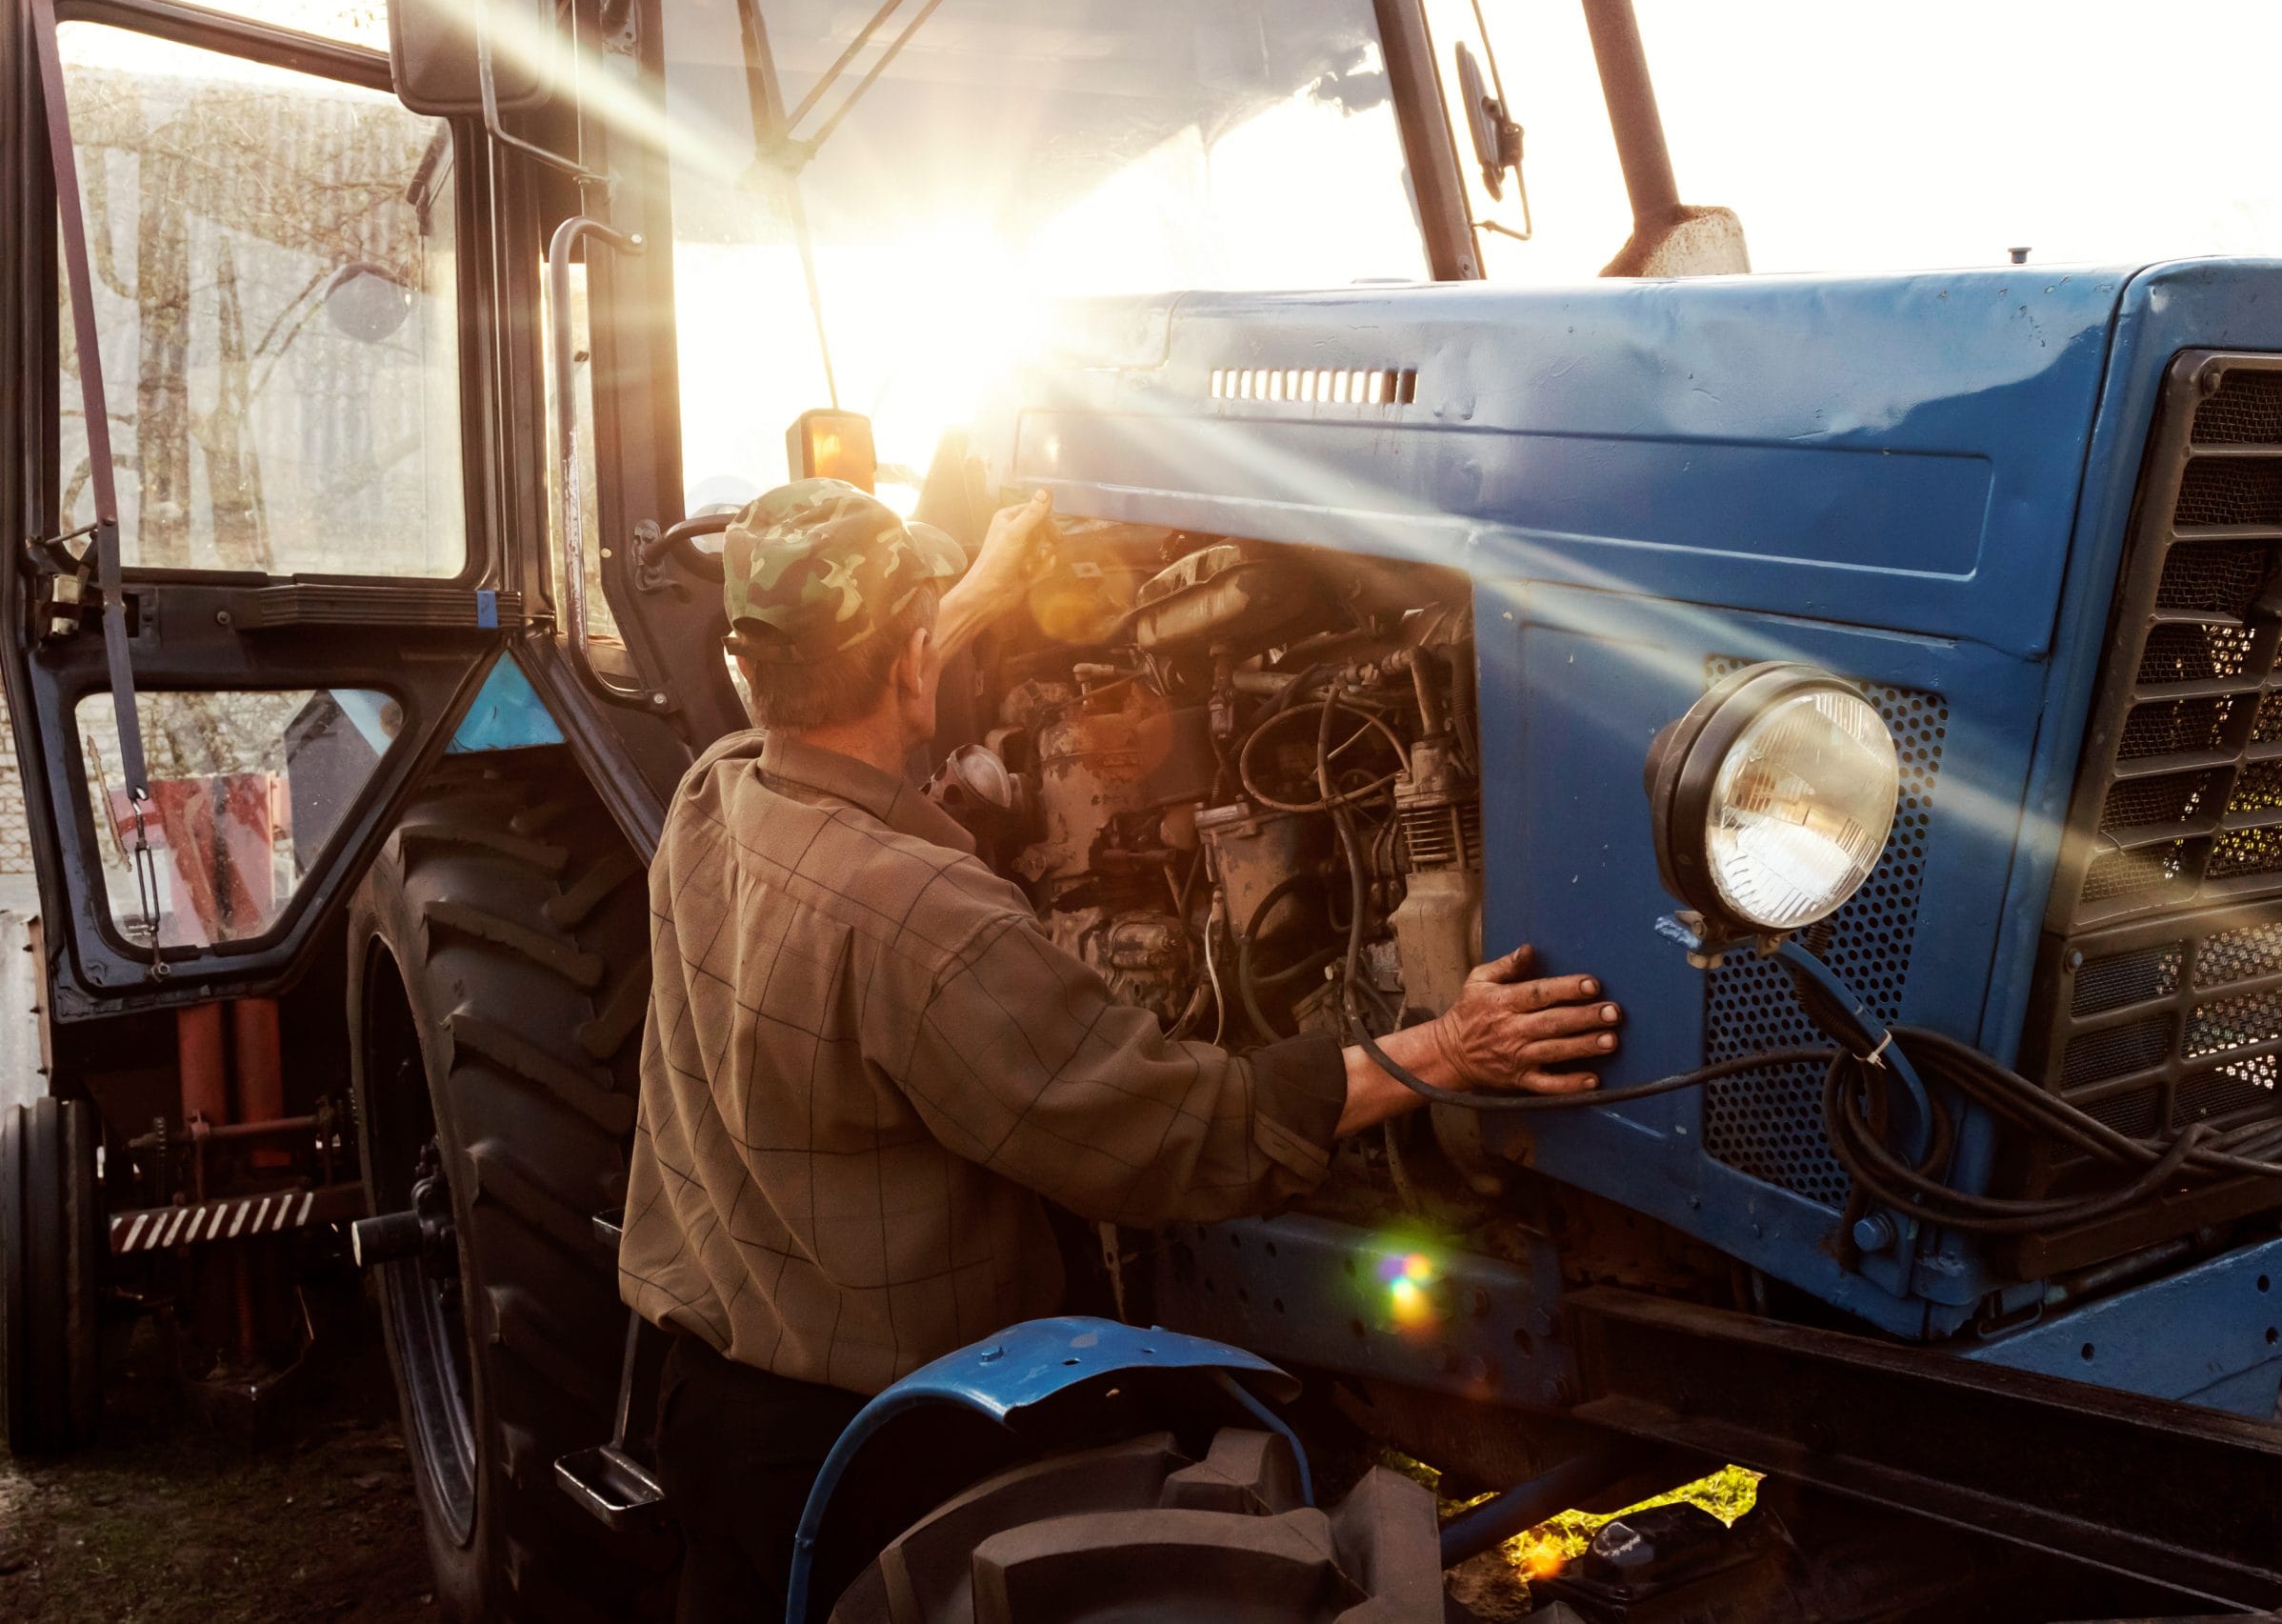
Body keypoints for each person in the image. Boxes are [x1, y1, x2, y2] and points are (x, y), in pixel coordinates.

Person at [617, 479, 1622, 1621]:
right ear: (907, 661)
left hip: (707, 1401)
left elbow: (826, 728)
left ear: (756, 666)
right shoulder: (920, 915)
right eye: (921, 642)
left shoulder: (714, 793)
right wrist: (1443, 1046)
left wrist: (971, 600)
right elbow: (1170, 1131)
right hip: (885, 1452)